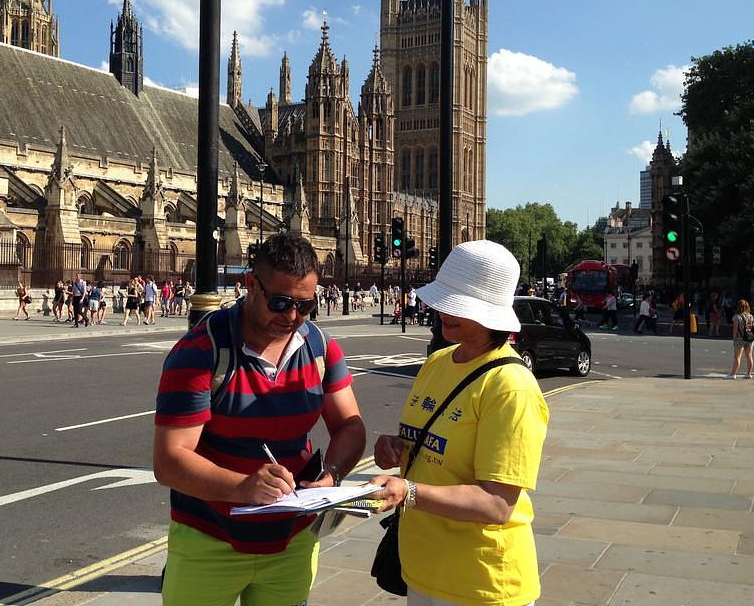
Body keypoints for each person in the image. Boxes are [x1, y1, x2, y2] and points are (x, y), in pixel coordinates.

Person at [153, 232, 366, 606]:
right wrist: (242, 487)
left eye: (305, 305)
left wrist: (331, 474)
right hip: (209, 541)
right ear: (251, 285)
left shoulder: (320, 347)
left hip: (292, 542)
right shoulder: (201, 351)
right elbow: (170, 460)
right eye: (281, 302)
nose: (292, 317)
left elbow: (350, 425)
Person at [369, 240, 549, 606]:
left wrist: (408, 491)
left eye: (458, 305)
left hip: (480, 582)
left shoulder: (510, 386)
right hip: (422, 569)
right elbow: (433, 444)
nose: (442, 311)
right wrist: (397, 445)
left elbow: (497, 503)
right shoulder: (438, 362)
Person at [727, 299, 754, 379]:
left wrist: (734, 338)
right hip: (750, 338)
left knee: (737, 357)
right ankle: (749, 374)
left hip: (740, 338)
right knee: (749, 356)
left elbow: (735, 328)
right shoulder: (751, 316)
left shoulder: (737, 317)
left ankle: (733, 374)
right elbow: (753, 327)